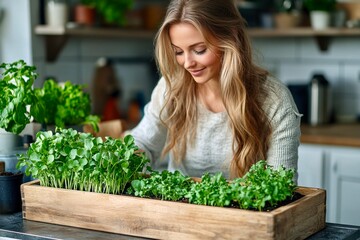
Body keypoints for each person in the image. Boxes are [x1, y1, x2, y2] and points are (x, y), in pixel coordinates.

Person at [130, 0, 302, 182]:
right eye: (178, 52)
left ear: (230, 39)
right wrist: (127, 158)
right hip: (179, 209)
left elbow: (280, 184)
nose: (187, 63)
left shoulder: (274, 100)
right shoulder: (171, 86)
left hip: (246, 211)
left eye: (199, 50)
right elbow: (145, 142)